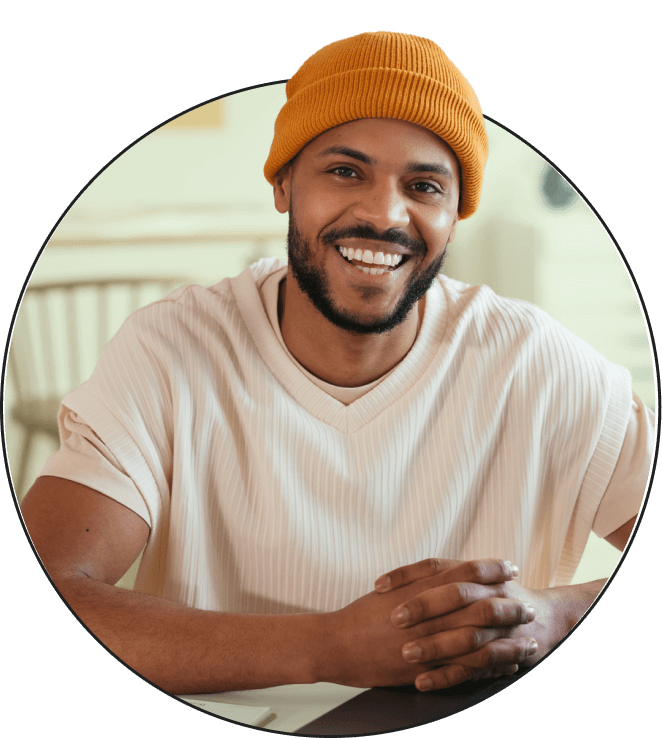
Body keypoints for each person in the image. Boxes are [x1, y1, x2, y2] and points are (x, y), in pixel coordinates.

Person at [20, 31, 650, 697]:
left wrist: (556, 616)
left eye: (424, 185)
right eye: (345, 171)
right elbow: (60, 588)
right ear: (285, 183)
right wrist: (326, 648)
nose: (383, 214)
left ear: (455, 214)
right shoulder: (170, 350)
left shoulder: (537, 362)